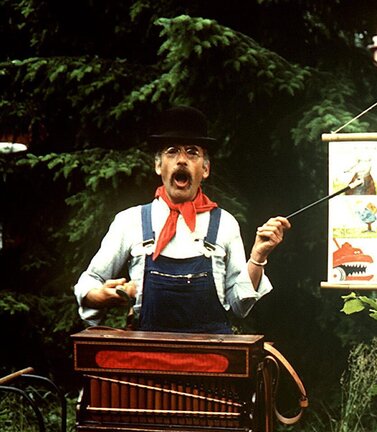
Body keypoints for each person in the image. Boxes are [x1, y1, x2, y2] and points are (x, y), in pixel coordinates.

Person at [74, 106, 290, 333]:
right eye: (172, 151)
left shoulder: (225, 224)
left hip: (212, 360)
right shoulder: (130, 221)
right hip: (148, 360)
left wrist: (258, 256)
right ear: (158, 165)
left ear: (205, 168)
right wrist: (97, 296)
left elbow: (239, 305)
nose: (182, 160)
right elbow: (89, 281)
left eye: (192, 152)